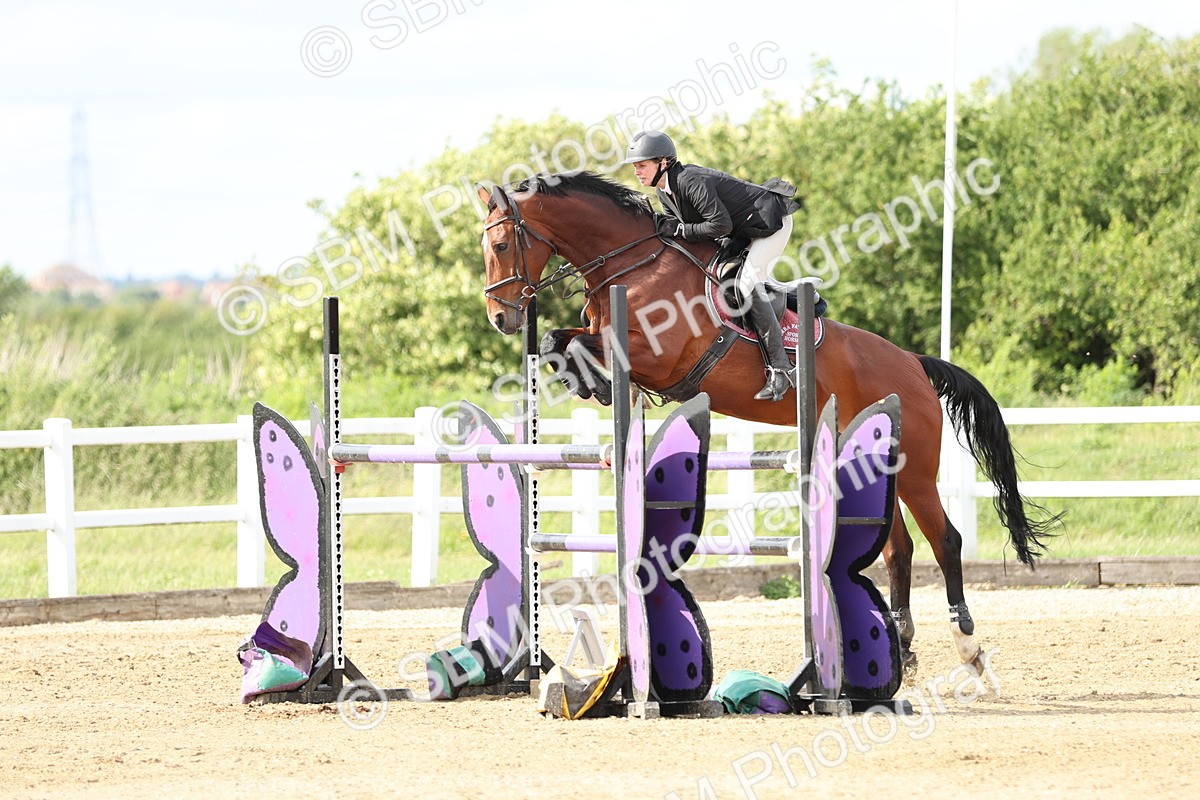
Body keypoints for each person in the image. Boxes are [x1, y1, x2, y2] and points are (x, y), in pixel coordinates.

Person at [624, 130, 801, 401]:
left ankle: (781, 369)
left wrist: (680, 229)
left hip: (770, 225)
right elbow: (684, 234)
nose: (637, 171)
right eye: (635, 166)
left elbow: (719, 225)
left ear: (663, 163)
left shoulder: (690, 180)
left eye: (642, 165)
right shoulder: (665, 192)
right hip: (741, 230)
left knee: (745, 284)